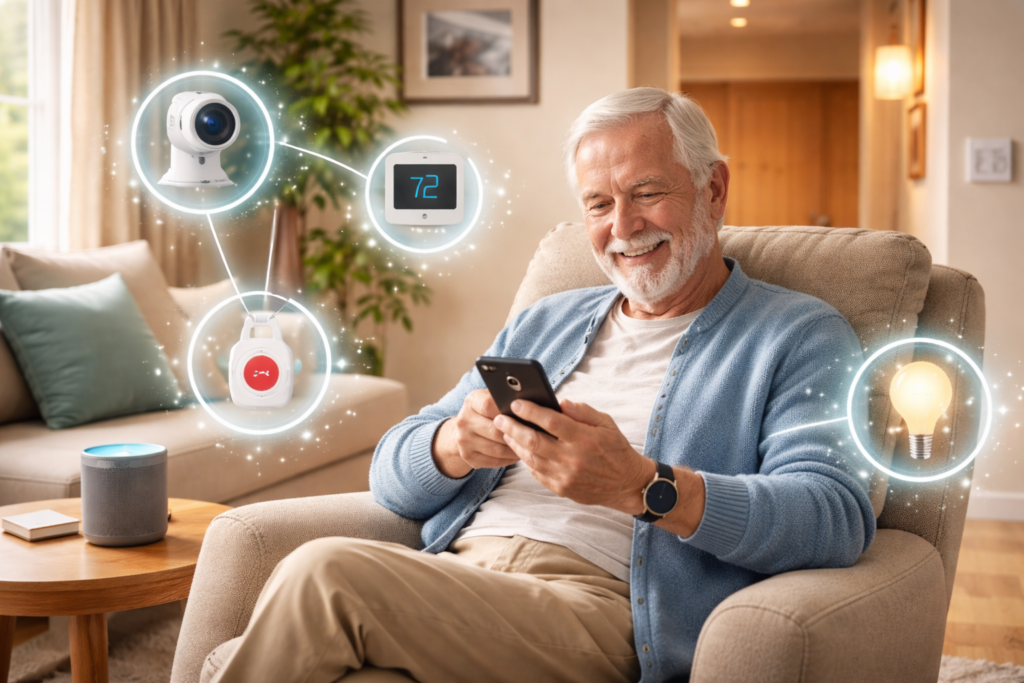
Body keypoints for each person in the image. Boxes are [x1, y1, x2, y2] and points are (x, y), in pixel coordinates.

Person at [205, 87, 875, 683]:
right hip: (456, 582)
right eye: (599, 203)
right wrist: (453, 445)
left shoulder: (797, 334)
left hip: (600, 608)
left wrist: (643, 485)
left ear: (714, 189)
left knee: (325, 574)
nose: (623, 226)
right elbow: (390, 472)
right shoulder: (546, 322)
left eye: (647, 193)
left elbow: (835, 517)